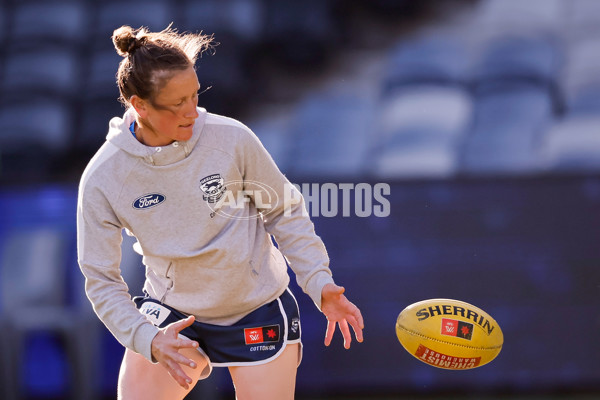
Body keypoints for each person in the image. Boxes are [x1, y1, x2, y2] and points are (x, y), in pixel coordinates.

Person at [77, 25, 364, 400]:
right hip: (172, 314)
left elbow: (285, 211)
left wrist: (319, 281)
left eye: (194, 96)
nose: (191, 112)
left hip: (256, 308)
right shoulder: (104, 176)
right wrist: (148, 339)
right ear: (139, 106)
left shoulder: (232, 138)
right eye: (177, 103)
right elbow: (101, 280)